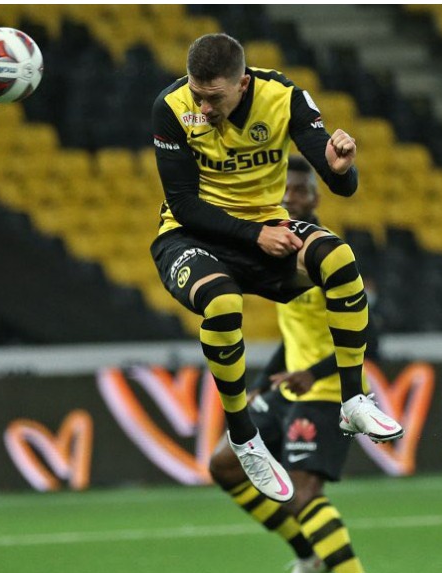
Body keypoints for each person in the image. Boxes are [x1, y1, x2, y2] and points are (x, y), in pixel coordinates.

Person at [150, 33, 403, 505]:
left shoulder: (283, 97)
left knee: (340, 258)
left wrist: (342, 167)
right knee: (222, 301)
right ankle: (246, 439)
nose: (203, 108)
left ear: (242, 84)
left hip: (265, 233)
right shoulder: (171, 107)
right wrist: (254, 234)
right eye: (197, 95)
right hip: (189, 238)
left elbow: (338, 184)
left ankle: (353, 401)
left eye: (214, 98)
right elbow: (183, 204)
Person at [209, 156, 391, 573]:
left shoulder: (329, 257)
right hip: (291, 387)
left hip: (328, 392)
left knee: (306, 493)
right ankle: (307, 554)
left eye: (302, 190)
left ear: (313, 197)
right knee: (226, 464)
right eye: (286, 190)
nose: (295, 196)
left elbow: (370, 335)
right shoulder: (277, 253)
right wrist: (268, 381)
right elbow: (298, 335)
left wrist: (311, 374)